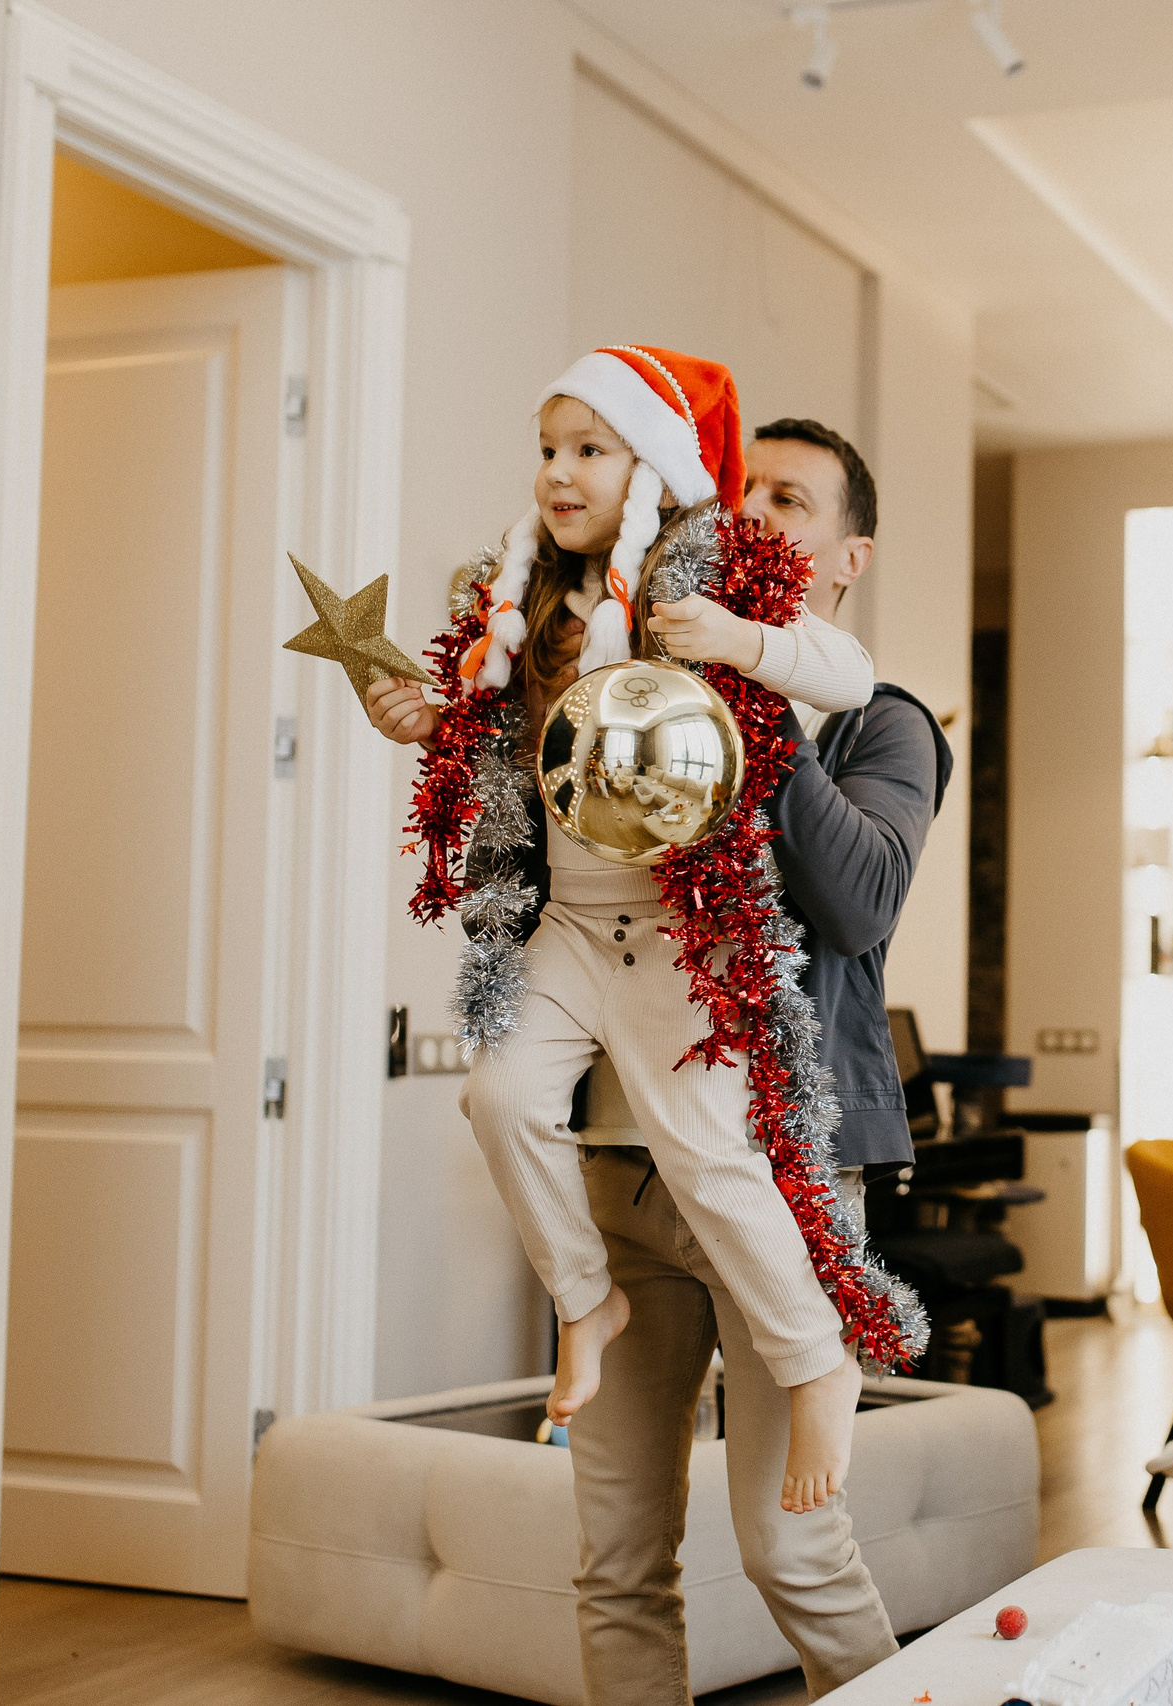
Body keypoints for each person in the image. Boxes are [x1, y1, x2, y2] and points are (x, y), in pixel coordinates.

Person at [362, 347, 900, 1517]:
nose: (558, 472)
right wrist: (415, 715)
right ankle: (584, 1298)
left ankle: (816, 1359)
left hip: (668, 927)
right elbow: (478, 741)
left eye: (588, 450)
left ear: (650, 463)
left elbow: (847, 672)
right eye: (546, 449)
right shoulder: (521, 595)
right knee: (497, 1098)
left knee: (710, 1151)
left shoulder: (707, 574)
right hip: (563, 917)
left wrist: (735, 640)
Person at [565, 415, 950, 1704]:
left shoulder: (886, 725)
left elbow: (857, 904)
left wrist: (756, 709)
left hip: (788, 1172)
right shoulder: (634, 689)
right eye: (738, 493)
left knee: (792, 1539)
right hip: (617, 1164)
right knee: (617, 1554)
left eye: (789, 500)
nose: (751, 513)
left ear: (849, 557)